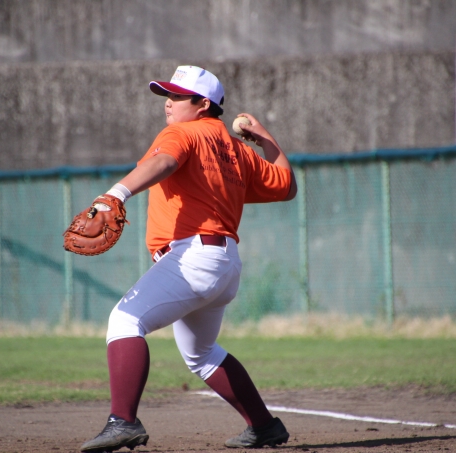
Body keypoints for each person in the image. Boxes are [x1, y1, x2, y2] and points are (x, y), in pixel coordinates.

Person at [80, 65, 297, 452]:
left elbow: (163, 162)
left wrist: (115, 194)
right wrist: (264, 138)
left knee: (125, 321)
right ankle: (264, 426)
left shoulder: (183, 133)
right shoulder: (238, 152)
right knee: (201, 353)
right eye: (168, 95)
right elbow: (287, 186)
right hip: (223, 263)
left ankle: (123, 422)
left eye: (178, 96)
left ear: (203, 105)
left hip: (193, 258)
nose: (169, 103)